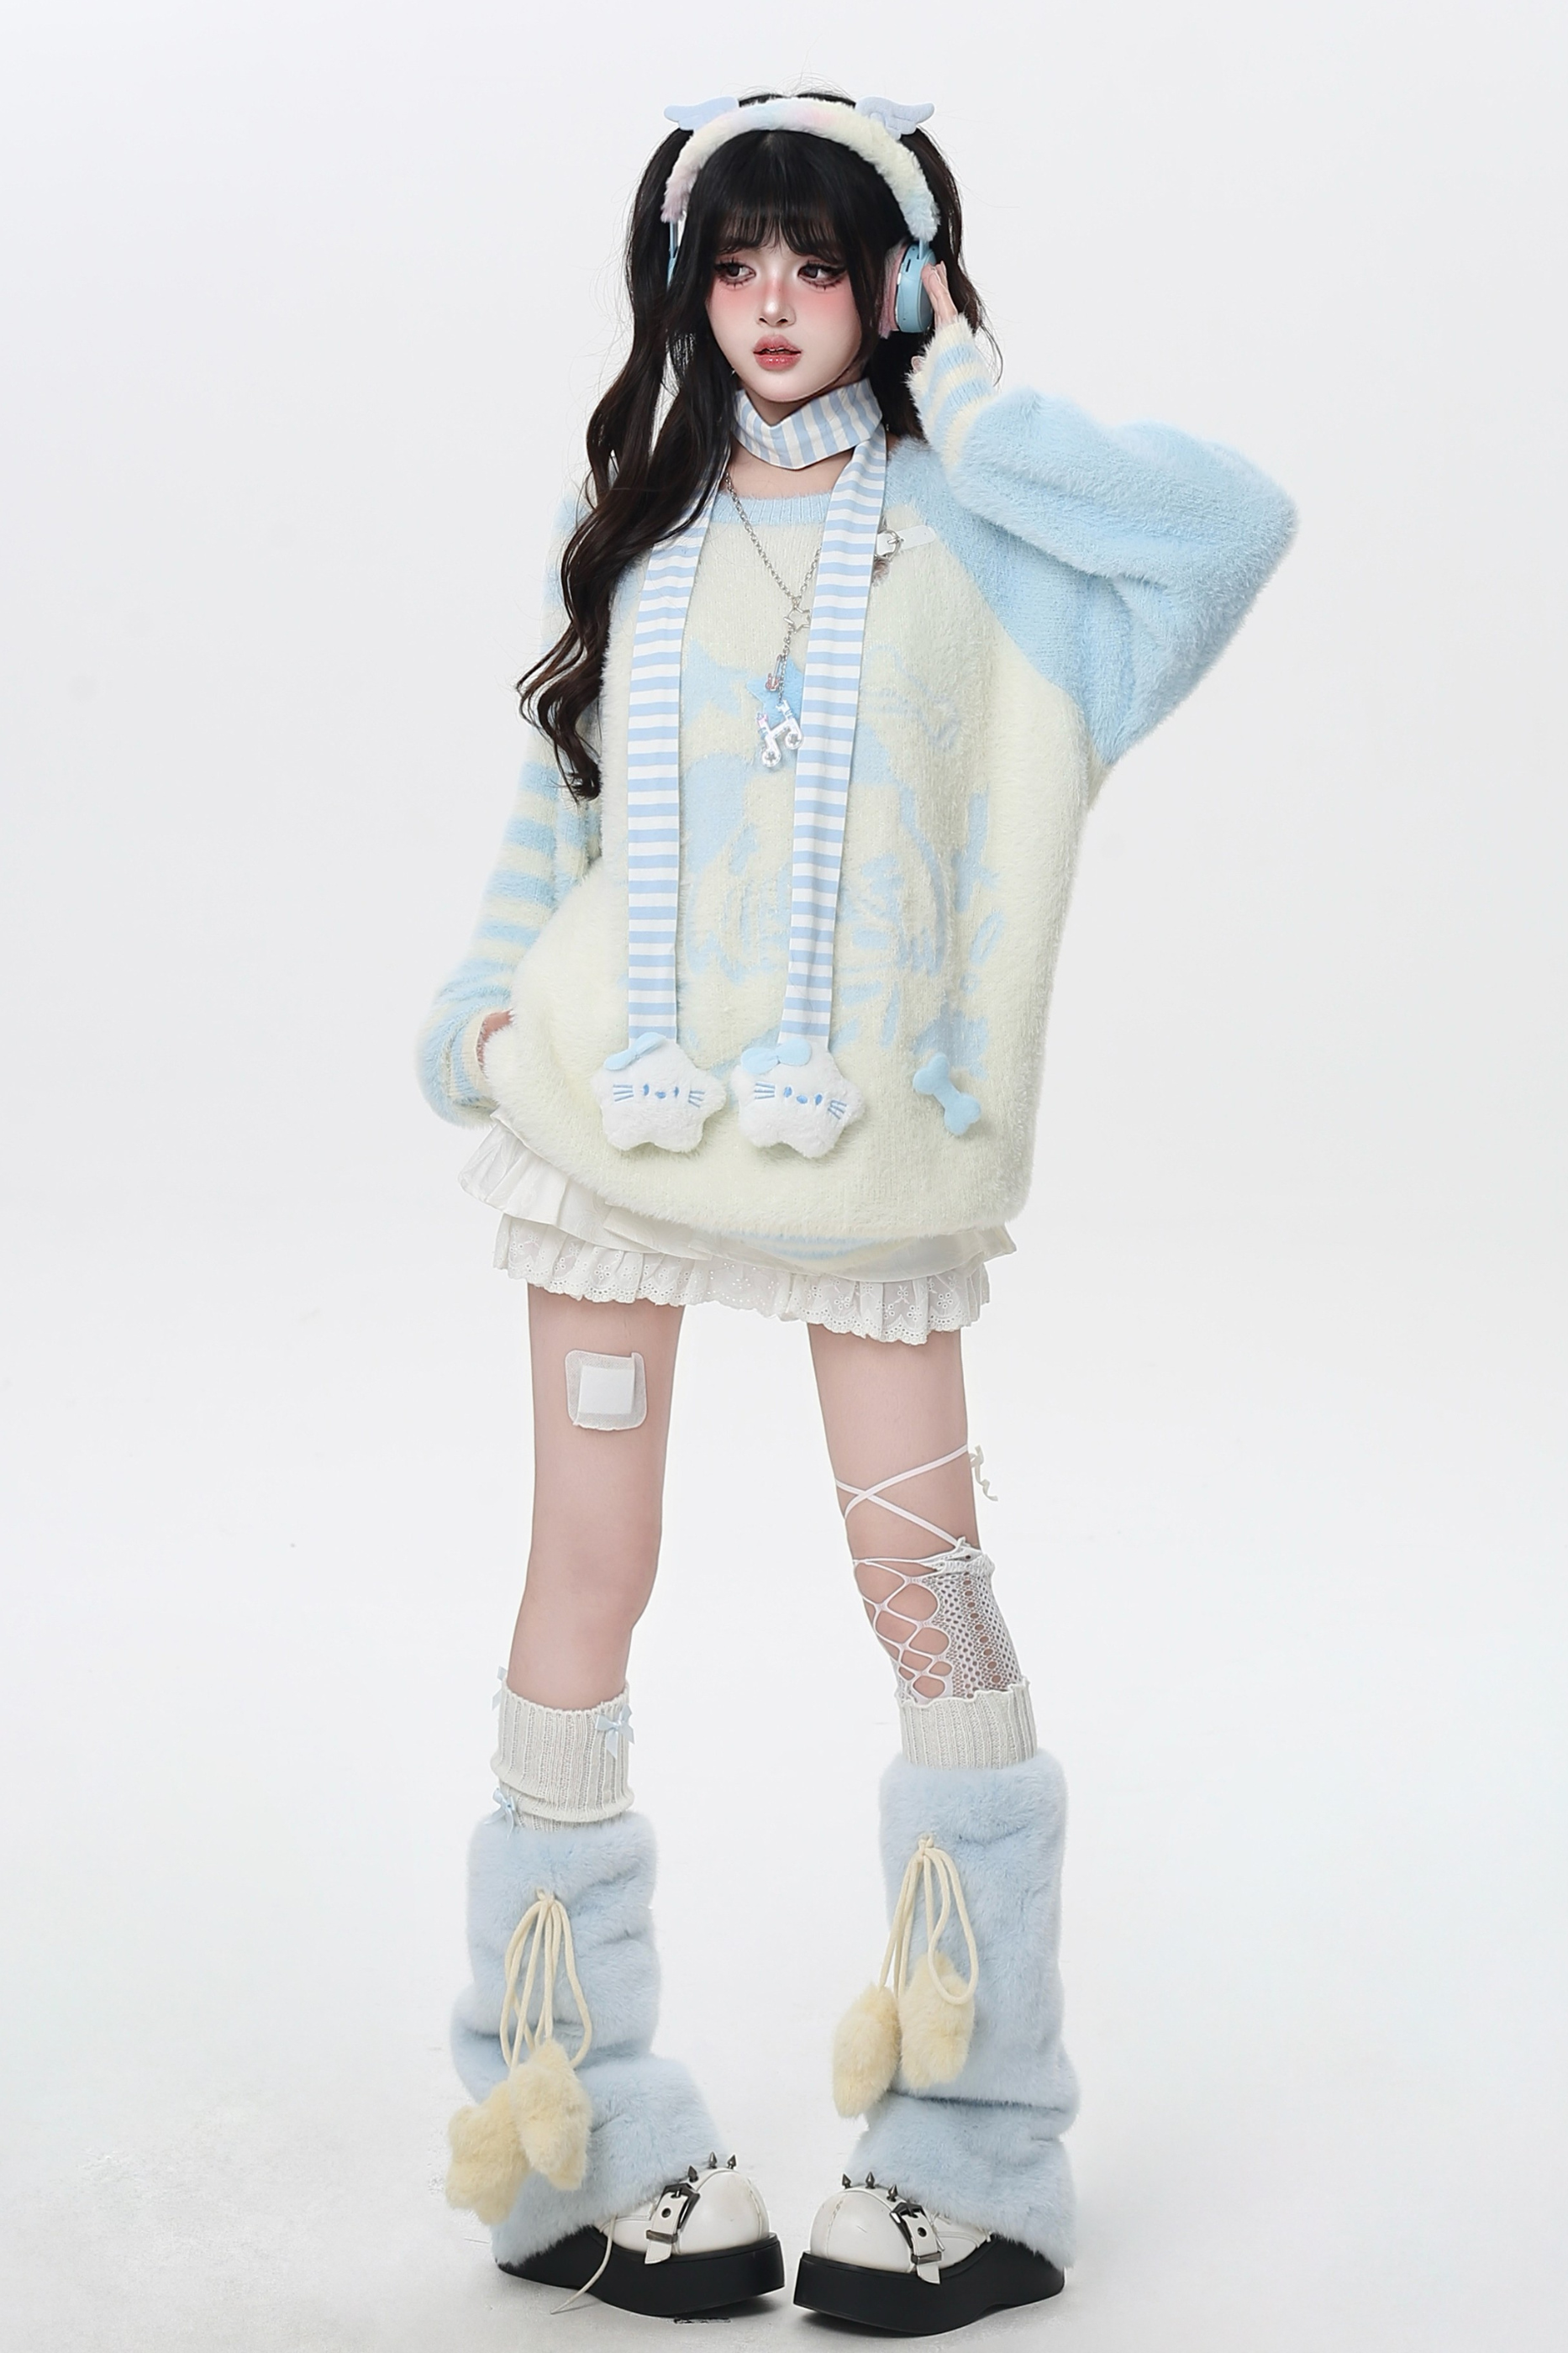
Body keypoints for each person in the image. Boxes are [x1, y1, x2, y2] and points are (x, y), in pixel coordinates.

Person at [419, 90, 1295, 2334]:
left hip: (872, 1163)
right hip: (610, 1149)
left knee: (933, 1594)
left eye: (818, 261)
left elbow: (1226, 530)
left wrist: (979, 401)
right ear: (690, 290)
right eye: (737, 266)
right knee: (586, 1573)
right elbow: (557, 805)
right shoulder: (639, 512)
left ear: (893, 279)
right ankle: (565, 2133)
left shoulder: (991, 538)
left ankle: (976, 2143)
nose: (774, 304)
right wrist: (483, 1014)